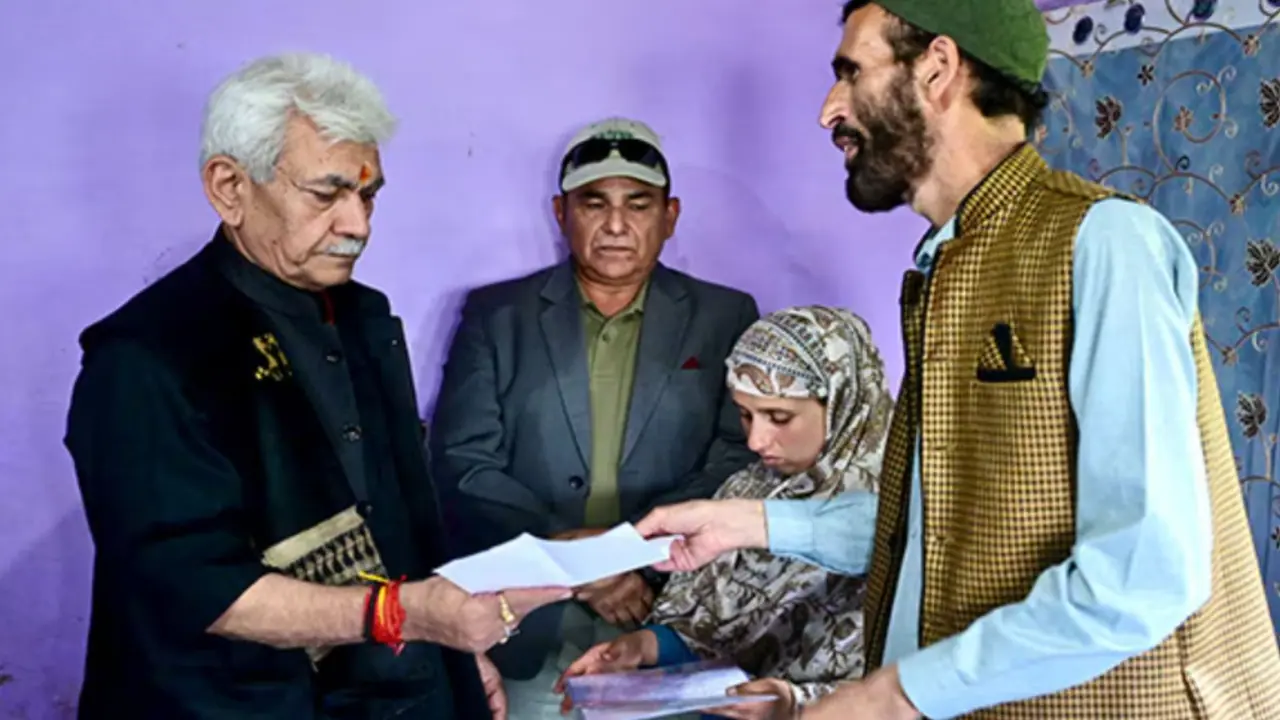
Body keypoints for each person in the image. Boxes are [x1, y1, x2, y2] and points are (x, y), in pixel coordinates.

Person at [635, 1, 1280, 718]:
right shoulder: (945, 269)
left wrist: (893, 696)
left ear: (937, 68)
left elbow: (1143, 573)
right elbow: (936, 520)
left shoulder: (1105, 244)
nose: (828, 111)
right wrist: (747, 524)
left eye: (851, 72)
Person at [64, 52, 568, 720]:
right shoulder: (144, 358)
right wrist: (407, 616)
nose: (357, 225)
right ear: (228, 187)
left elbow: (400, 522)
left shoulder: (361, 316)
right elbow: (198, 587)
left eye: (368, 195)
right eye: (325, 194)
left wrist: (453, 654)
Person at [430, 117, 759, 717]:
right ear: (561, 213)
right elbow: (462, 463)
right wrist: (575, 559)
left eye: (638, 204)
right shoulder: (497, 315)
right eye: (593, 203)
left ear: (671, 215)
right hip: (524, 625)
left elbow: (736, 458)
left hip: (663, 615)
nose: (615, 225)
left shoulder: (725, 316)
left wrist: (626, 556)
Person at [556, 306, 894, 720]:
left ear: (845, 399)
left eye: (779, 417)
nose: (755, 440)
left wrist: (792, 704)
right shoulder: (747, 487)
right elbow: (712, 633)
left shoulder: (908, 513)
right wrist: (640, 649)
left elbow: (909, 682)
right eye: (745, 414)